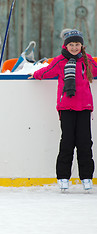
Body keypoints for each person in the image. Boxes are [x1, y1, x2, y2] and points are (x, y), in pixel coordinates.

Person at [29, 29, 97, 190]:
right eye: (71, 45)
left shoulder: (87, 60)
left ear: (82, 45)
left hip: (85, 107)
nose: (74, 47)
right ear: (65, 46)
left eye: (77, 44)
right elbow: (47, 71)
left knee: (85, 143)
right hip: (66, 107)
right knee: (67, 142)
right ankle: (63, 177)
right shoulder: (60, 61)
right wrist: (35, 74)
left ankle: (86, 177)